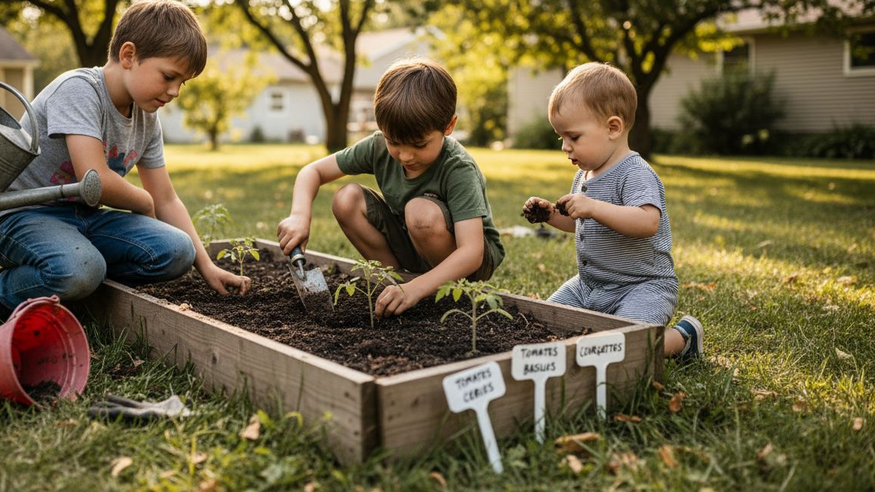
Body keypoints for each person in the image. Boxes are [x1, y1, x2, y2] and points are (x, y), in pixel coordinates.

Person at [0, 0, 250, 338]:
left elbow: (165, 198)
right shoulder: (78, 90)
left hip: (84, 219)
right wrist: (142, 203)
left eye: (183, 82)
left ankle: (79, 285)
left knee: (178, 251)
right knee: (80, 269)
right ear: (128, 55)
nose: (175, 91)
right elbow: (97, 181)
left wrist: (205, 265)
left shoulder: (147, 118)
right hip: (21, 216)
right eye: (169, 76)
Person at [276, 58, 505, 318]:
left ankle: (428, 289)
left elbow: (472, 253)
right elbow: (312, 172)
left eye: (419, 145)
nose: (405, 155)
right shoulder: (377, 147)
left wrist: (417, 289)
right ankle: (396, 283)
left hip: (467, 264)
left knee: (420, 211)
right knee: (346, 198)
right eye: (394, 141)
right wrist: (299, 215)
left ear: (449, 127)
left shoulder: (458, 168)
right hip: (413, 243)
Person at [522, 62, 702, 363]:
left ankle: (681, 339)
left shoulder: (634, 174)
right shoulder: (585, 173)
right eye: (561, 138)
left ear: (613, 128)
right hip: (589, 285)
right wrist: (551, 215)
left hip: (641, 287)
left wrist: (592, 207)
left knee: (619, 351)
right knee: (541, 326)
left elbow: (647, 222)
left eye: (574, 137)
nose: (565, 147)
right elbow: (580, 223)